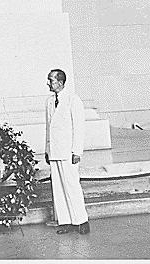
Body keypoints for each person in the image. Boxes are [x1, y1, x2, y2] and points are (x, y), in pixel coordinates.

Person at [44, 69, 90, 235]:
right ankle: (65, 221)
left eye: (51, 80)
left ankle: (81, 221)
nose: (48, 83)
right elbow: (48, 128)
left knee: (72, 185)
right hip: (55, 151)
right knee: (58, 187)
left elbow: (79, 127)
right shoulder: (49, 102)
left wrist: (77, 151)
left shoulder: (73, 100)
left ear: (60, 82)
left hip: (68, 152)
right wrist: (47, 149)